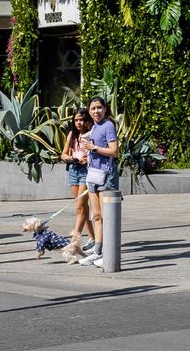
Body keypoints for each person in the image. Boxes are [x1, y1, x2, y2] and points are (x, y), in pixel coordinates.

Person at [80, 96, 120, 267]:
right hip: (93, 174)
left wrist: (94, 148)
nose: (96, 111)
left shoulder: (108, 126)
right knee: (96, 216)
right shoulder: (95, 127)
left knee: (107, 216)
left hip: (106, 174)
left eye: (99, 108)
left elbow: (114, 151)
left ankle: (108, 253)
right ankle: (97, 251)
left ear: (105, 109)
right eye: (93, 108)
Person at [61, 108, 95, 261]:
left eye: (81, 120)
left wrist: (87, 159)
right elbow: (63, 154)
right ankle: (94, 238)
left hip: (86, 171)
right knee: (83, 209)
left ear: (87, 120)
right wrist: (71, 158)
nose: (78, 123)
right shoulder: (72, 135)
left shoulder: (91, 134)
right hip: (74, 170)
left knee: (80, 207)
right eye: (76, 120)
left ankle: (74, 242)